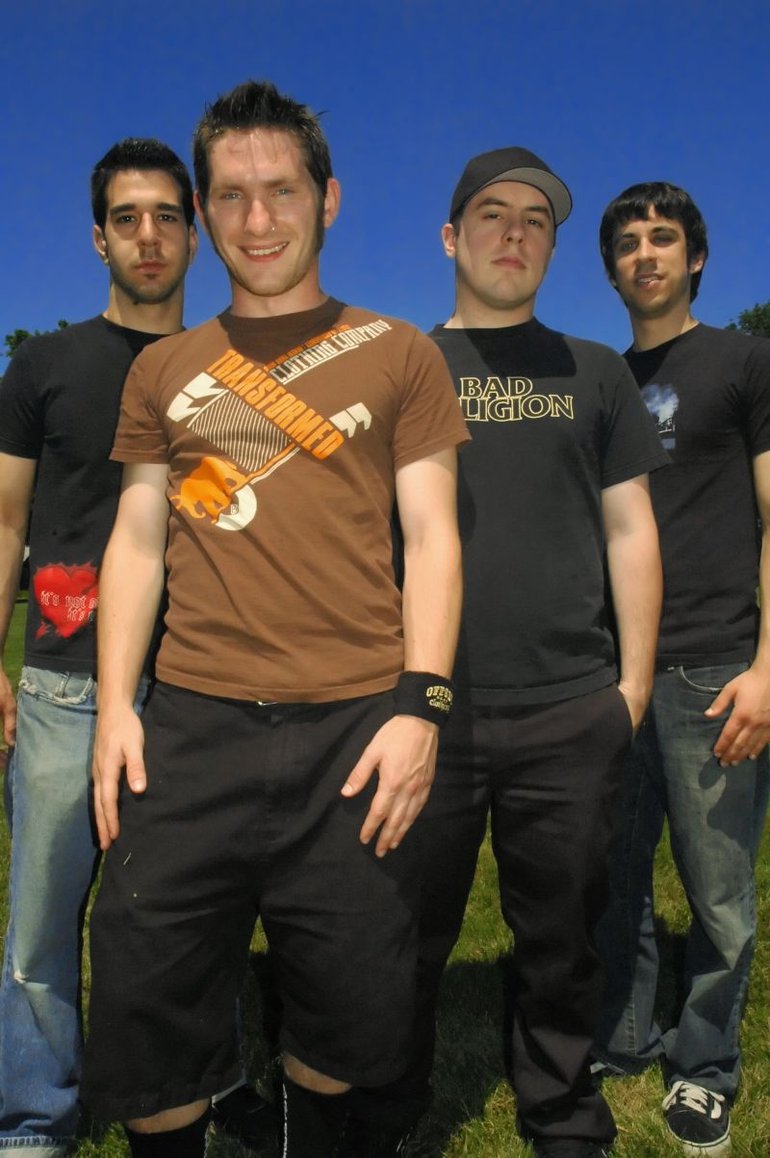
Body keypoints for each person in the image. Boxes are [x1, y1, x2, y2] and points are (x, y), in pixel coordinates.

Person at [78, 79, 468, 1158]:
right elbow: (138, 540)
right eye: (232, 196)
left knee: (344, 1021)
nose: (258, 220)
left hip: (355, 730)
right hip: (190, 731)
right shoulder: (163, 369)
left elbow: (434, 537)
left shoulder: (400, 351)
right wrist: (116, 707)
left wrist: (422, 708)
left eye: (282, 191)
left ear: (327, 199)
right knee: (147, 1010)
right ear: (205, 211)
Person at [347, 147, 669, 1158]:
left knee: (561, 936)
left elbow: (631, 531)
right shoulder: (399, 363)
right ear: (450, 237)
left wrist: (630, 689)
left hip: (569, 706)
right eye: (492, 214)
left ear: (552, 250)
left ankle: (559, 1107)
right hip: (424, 708)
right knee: (402, 928)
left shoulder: (595, 370)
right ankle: (387, 1104)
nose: (514, 233)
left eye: (536, 220)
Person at [0, 138, 199, 1158]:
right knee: (41, 928)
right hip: (61, 688)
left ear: (194, 233)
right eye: (127, 218)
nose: (148, 235)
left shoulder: (224, 368)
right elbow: (5, 521)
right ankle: (35, 1116)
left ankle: (198, 1086)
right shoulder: (44, 365)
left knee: (192, 919)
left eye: (167, 215)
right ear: (98, 238)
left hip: (198, 689)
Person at [593, 182, 770, 1158]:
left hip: (715, 671)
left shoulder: (745, 362)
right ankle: (622, 1039)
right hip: (614, 670)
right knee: (612, 876)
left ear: (694, 257)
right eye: (627, 243)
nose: (645, 254)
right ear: (612, 270)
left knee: (718, 895)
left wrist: (768, 666)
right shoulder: (603, 382)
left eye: (662, 238)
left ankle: (704, 1067)